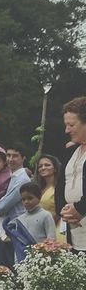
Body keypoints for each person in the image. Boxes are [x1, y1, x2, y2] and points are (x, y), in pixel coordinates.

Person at [0, 145, 29, 267]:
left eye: (15, 156)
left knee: (19, 264)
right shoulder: (13, 177)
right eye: (8, 155)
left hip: (19, 227)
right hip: (10, 227)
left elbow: (7, 203)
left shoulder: (22, 179)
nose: (10, 159)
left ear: (23, 158)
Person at [56, 97, 86, 253]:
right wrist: (63, 210)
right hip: (75, 237)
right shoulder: (70, 152)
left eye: (71, 125)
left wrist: (80, 209)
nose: (67, 130)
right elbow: (60, 186)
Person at [36, 154, 63, 240]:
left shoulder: (59, 187)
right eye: (40, 166)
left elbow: (60, 210)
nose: (43, 168)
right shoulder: (40, 189)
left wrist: (48, 228)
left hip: (56, 229)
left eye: (47, 165)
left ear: (55, 168)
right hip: (40, 230)